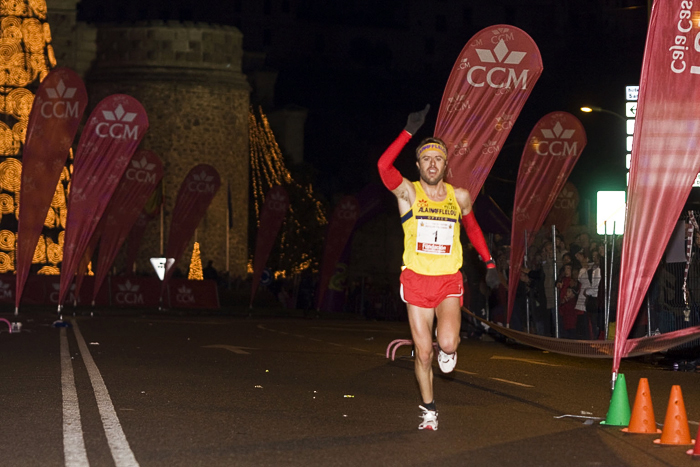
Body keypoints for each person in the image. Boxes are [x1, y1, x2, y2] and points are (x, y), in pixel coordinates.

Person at [377, 104, 499, 431]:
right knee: (423, 353)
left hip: (447, 280)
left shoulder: (459, 197)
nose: (432, 164)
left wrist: (489, 262)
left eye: (438, 159)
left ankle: (449, 351)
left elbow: (472, 228)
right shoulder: (408, 193)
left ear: (446, 165)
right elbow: (383, 166)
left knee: (446, 344)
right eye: (426, 159)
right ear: (418, 165)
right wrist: (408, 132)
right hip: (416, 280)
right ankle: (429, 409)